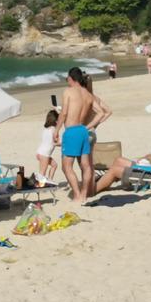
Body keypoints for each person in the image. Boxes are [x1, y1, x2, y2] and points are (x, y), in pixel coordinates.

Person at [93, 128, 151, 195]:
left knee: (114, 170)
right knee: (119, 160)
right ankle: (106, 183)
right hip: (146, 168)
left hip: (148, 173)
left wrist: (150, 157)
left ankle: (93, 190)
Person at [54, 68, 97, 204]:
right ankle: (84, 194)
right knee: (86, 166)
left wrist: (56, 130)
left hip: (71, 131)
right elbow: (102, 112)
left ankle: (77, 195)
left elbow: (64, 113)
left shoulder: (68, 91)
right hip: (83, 131)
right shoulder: (88, 95)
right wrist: (89, 126)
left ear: (71, 78)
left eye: (67, 79)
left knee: (66, 166)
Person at [35, 110, 60, 184]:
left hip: (40, 152)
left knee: (54, 165)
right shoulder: (54, 130)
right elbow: (57, 142)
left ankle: (50, 180)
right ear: (55, 121)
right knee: (42, 174)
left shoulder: (46, 129)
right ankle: (40, 187)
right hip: (44, 154)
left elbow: (50, 142)